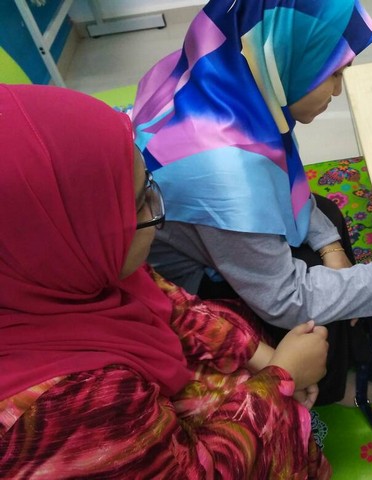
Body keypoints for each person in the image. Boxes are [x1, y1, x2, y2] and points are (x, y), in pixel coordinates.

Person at [133, 0, 372, 405]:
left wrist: (332, 247)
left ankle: (351, 335)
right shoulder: (228, 174)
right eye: (334, 74)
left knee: (325, 220)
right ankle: (332, 387)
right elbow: (287, 300)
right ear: (285, 58)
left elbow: (280, 178)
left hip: (203, 231)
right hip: (187, 289)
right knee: (312, 301)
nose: (339, 90)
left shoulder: (230, 73)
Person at [0, 83, 331, 479]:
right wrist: (281, 379)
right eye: (141, 201)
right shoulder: (72, 407)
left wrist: (261, 357)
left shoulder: (69, 265)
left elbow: (171, 302)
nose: (158, 214)